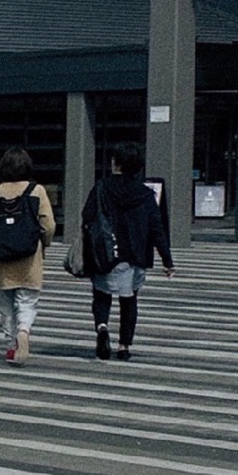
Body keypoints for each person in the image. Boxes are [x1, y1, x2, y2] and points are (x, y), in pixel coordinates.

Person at [82, 140, 176, 360]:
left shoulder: (101, 187)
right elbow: (157, 229)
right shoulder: (145, 194)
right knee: (129, 300)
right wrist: (167, 261)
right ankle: (124, 346)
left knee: (101, 295)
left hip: (106, 253)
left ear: (115, 162)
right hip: (135, 255)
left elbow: (87, 216)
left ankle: (102, 327)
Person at [0, 146, 57, 363]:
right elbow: (48, 225)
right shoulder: (37, 191)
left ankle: (11, 347)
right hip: (30, 260)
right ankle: (24, 331)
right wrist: (44, 243)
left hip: (1, 260)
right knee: (27, 302)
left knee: (6, 307)